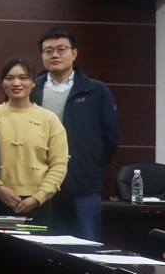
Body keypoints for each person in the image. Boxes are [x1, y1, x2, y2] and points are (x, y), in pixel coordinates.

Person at [32, 28, 119, 240]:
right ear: (42, 55)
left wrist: (91, 163)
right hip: (40, 183)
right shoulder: (32, 88)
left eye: (61, 49)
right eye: (48, 50)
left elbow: (111, 136)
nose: (54, 55)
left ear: (74, 53)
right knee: (43, 245)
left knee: (86, 245)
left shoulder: (96, 90)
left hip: (83, 183)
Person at [0, 58, 69, 226]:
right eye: (9, 78)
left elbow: (59, 164)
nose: (16, 83)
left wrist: (39, 197)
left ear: (33, 82)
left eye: (23, 78)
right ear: (2, 82)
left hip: (39, 204)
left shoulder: (49, 119)